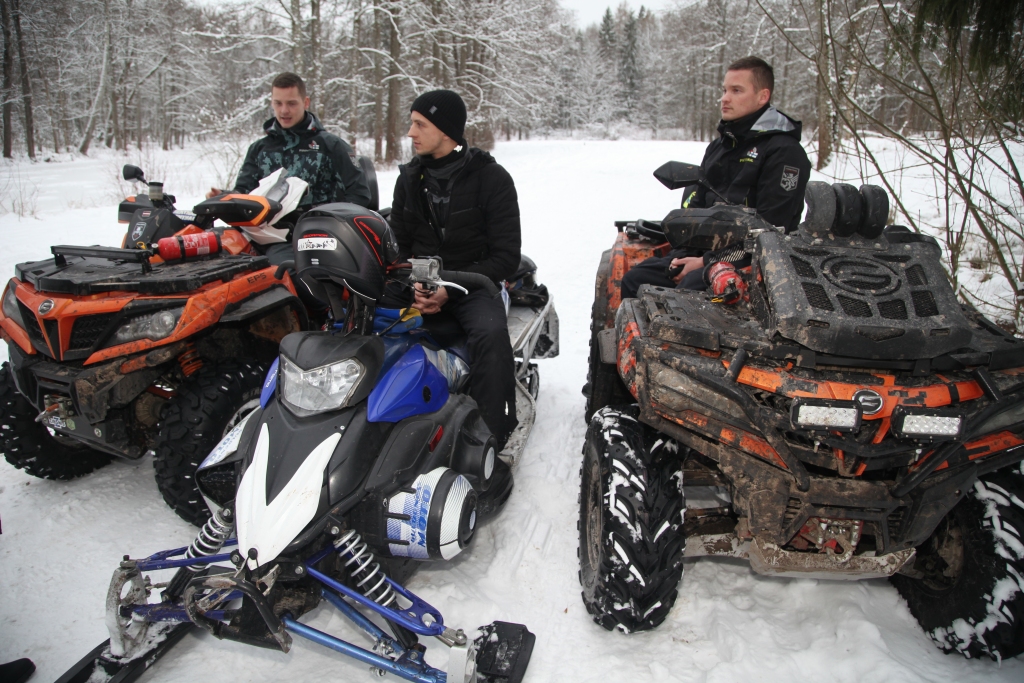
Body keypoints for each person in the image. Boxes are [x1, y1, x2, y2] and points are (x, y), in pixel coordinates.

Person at [388, 90, 521, 449]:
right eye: (412, 123)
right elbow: (397, 247)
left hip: (474, 285)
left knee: (491, 335)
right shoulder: (408, 180)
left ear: (446, 131)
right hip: (418, 284)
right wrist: (414, 284)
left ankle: (493, 437)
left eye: (420, 124)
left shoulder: (492, 179)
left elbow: (507, 257)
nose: (411, 132)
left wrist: (452, 287)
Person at [621, 56, 812, 299]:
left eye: (736, 90)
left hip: (751, 264)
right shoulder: (719, 147)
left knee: (684, 297)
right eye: (724, 90)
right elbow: (698, 209)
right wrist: (681, 255)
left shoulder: (784, 153)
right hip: (703, 255)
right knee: (635, 279)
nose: (725, 98)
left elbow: (771, 233)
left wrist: (704, 262)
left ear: (762, 96)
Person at [205, 72, 371, 262]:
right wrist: (225, 197)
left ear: (305, 102)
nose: (284, 110)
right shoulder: (260, 149)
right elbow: (245, 192)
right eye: (278, 103)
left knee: (281, 271)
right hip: (261, 234)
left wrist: (331, 224)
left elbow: (360, 194)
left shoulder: (331, 146)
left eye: (291, 103)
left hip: (311, 237)